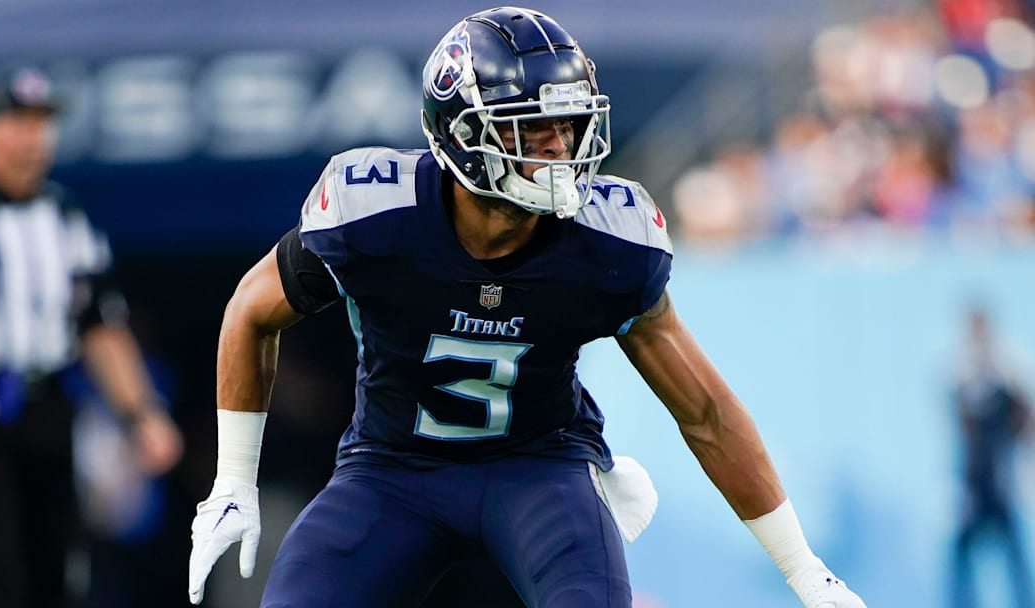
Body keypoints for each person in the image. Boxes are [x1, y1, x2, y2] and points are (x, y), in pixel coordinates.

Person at [188, 8, 866, 607]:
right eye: (532, 127)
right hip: (391, 471)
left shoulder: (608, 240)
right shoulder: (378, 212)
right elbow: (251, 311)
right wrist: (233, 481)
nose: (560, 148)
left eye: (568, 126)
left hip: (541, 471)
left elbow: (706, 412)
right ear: (459, 135)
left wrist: (805, 571)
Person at [0, 66, 184, 607]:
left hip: (49, 401)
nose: (32, 140)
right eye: (19, 123)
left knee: (57, 562)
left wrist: (141, 413)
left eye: (41, 126)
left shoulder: (68, 220)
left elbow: (100, 328)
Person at [949, 304, 1033, 608]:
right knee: (961, 557)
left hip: (1000, 481)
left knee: (1015, 559)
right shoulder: (961, 371)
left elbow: (1026, 421)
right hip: (975, 482)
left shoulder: (1008, 371)